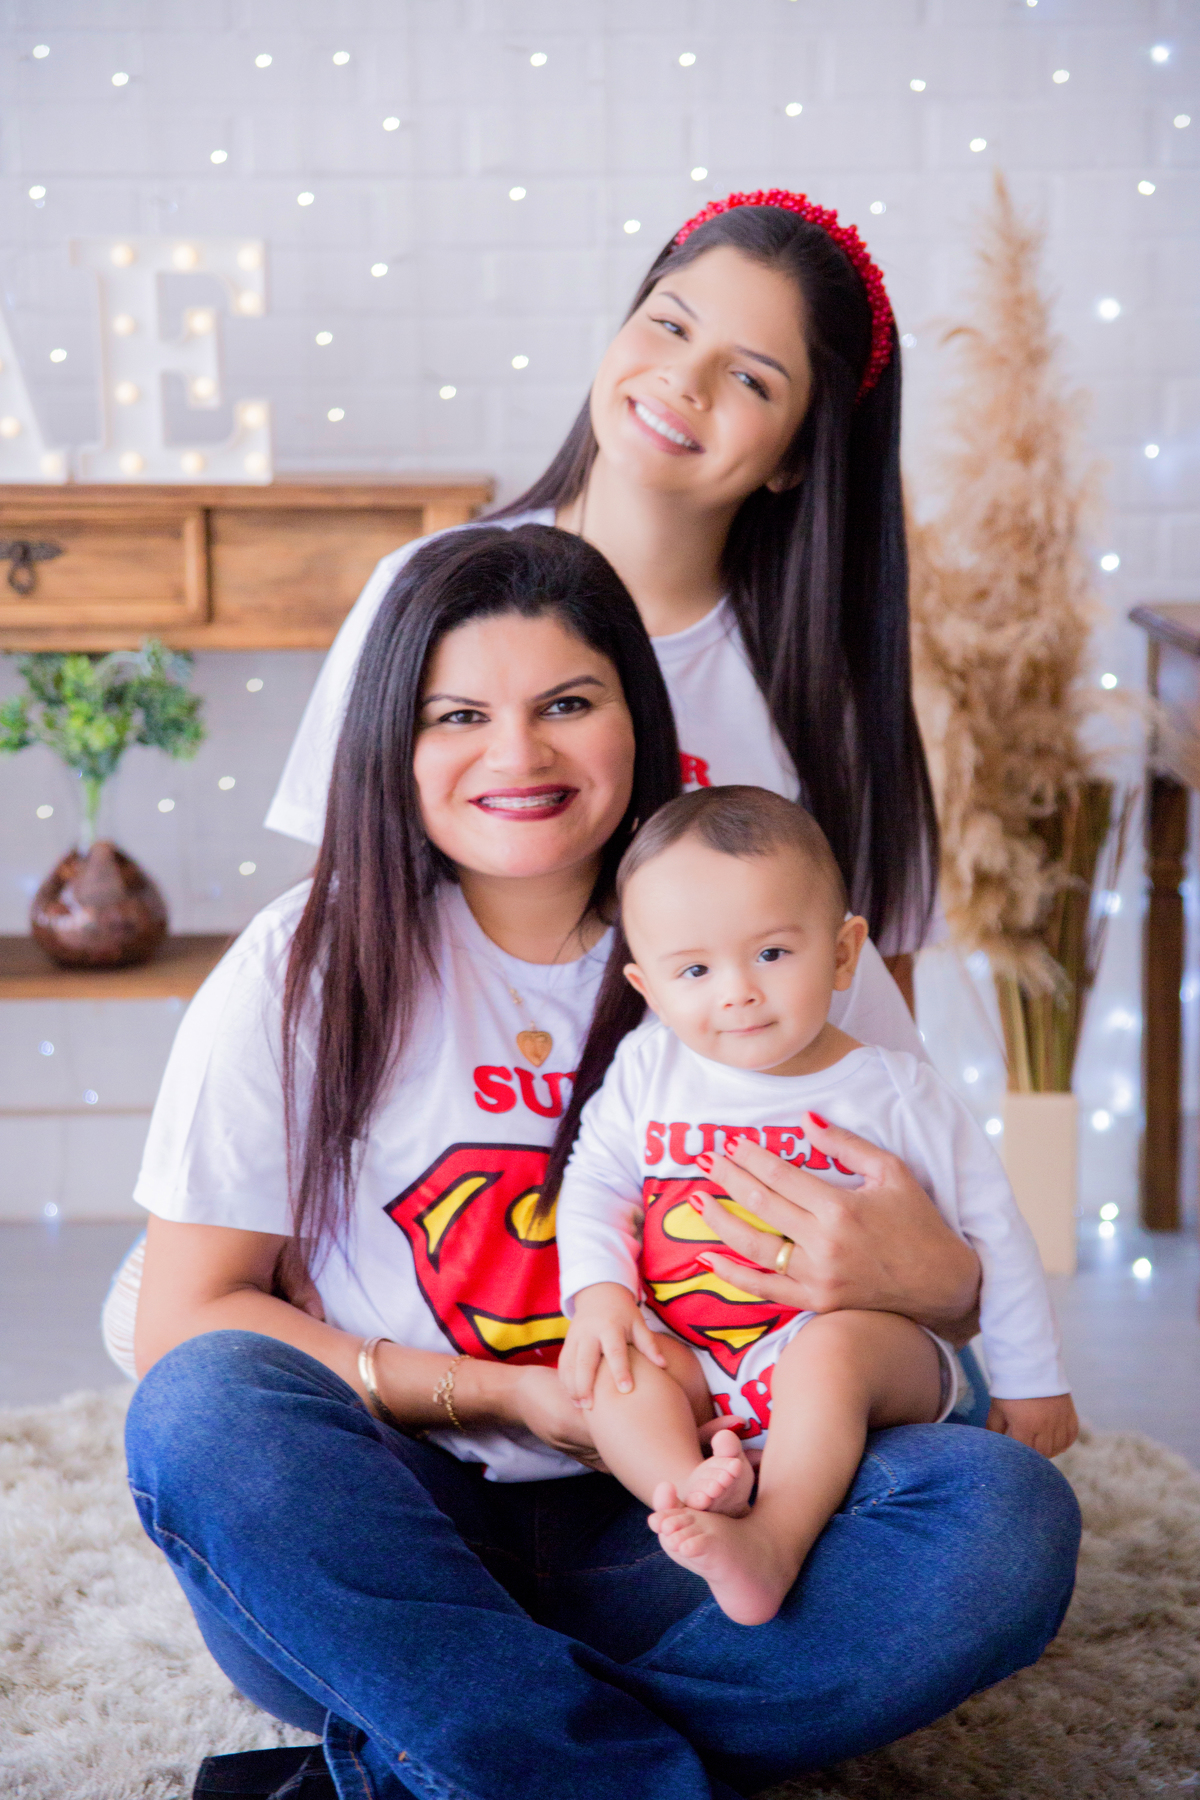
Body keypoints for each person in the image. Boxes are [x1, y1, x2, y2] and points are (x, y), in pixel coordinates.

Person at [124, 525, 1080, 1800]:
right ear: (390, 747)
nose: (516, 754)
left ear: (639, 717)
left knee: (1003, 1522)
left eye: (567, 703)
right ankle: (569, 1750)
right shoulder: (302, 961)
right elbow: (182, 1322)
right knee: (202, 1411)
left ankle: (451, 1735)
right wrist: (509, 1395)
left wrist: (940, 1279)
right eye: (457, 713)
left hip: (709, 1518)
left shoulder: (759, 936)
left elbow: (954, 1296)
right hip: (395, 1525)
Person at [264, 188, 937, 1015]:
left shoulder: (828, 688)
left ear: (796, 458)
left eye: (750, 379)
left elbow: (875, 999)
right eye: (670, 324)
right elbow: (343, 912)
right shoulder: (427, 588)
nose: (683, 379)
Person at [553, 786, 1078, 1628]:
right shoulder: (649, 1071)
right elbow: (595, 1184)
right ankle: (688, 1491)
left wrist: (1033, 1379)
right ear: (647, 988)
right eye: (694, 970)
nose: (737, 993)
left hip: (864, 1352)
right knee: (615, 1370)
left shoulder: (892, 1090)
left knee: (830, 1351)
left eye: (770, 954)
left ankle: (775, 1538)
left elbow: (997, 1229)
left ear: (842, 954)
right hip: (700, 1356)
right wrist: (602, 1296)